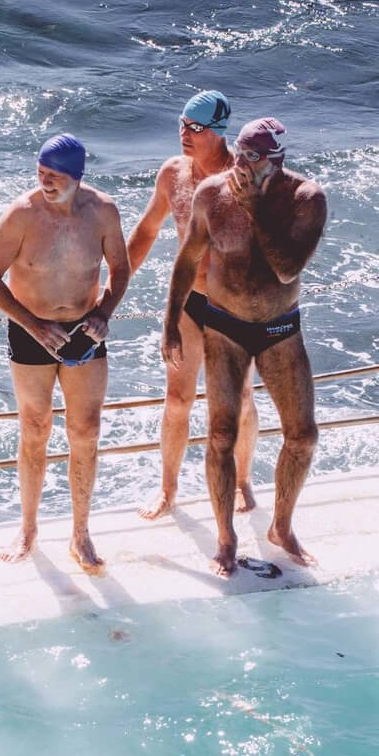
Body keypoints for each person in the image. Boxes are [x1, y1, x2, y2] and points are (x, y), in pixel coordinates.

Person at [165, 118, 326, 578]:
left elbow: (287, 270)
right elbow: (188, 258)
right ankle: (225, 537)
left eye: (252, 158)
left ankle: (281, 526)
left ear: (276, 162)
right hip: (224, 327)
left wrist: (255, 209)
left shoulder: (305, 199)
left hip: (279, 328)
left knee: (303, 435)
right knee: (220, 434)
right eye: (238, 153)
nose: (240, 164)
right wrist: (170, 322)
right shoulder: (211, 194)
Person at [0, 135, 130, 572]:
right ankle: (28, 528)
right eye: (41, 174)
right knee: (35, 427)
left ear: (77, 178)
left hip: (85, 330)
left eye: (55, 177)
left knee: (86, 431)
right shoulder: (22, 215)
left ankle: (80, 532)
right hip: (31, 329)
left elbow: (119, 269)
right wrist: (32, 323)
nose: (45, 183)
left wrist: (104, 313)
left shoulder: (102, 210)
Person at [128, 91, 259, 521]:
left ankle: (242, 482)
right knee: (176, 398)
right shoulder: (173, 174)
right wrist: (112, 288)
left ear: (217, 133)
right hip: (190, 303)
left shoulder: (242, 177)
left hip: (234, 307)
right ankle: (168, 489)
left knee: (238, 398)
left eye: (195, 128)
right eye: (181, 124)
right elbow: (147, 231)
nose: (184, 134)